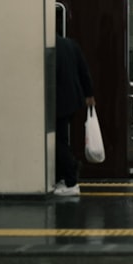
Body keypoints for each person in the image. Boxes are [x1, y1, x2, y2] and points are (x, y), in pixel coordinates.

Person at [54, 35, 95, 197]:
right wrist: (89, 93)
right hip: (73, 98)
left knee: (58, 141)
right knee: (62, 139)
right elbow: (83, 69)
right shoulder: (70, 43)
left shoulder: (48, 45)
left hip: (58, 100)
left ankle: (70, 178)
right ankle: (63, 176)